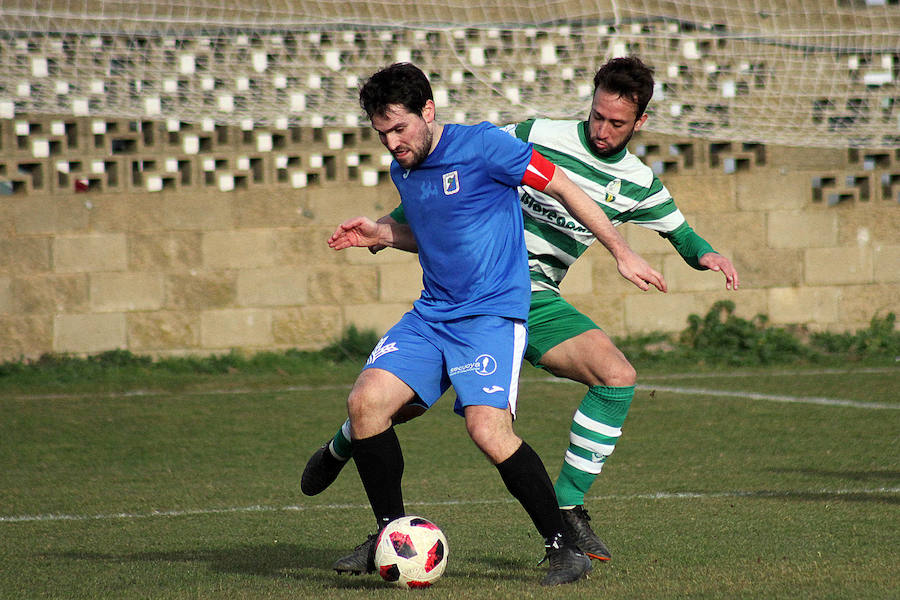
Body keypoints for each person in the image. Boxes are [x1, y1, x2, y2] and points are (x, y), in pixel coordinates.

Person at [312, 60, 672, 585]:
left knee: (488, 429)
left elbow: (564, 187)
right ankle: (390, 536)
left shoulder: (484, 146)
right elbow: (434, 233)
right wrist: (383, 232)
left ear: (427, 111)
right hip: (432, 314)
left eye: (400, 128)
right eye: (382, 133)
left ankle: (562, 548)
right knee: (365, 404)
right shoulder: (404, 169)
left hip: (490, 316)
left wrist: (620, 250)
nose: (392, 143)